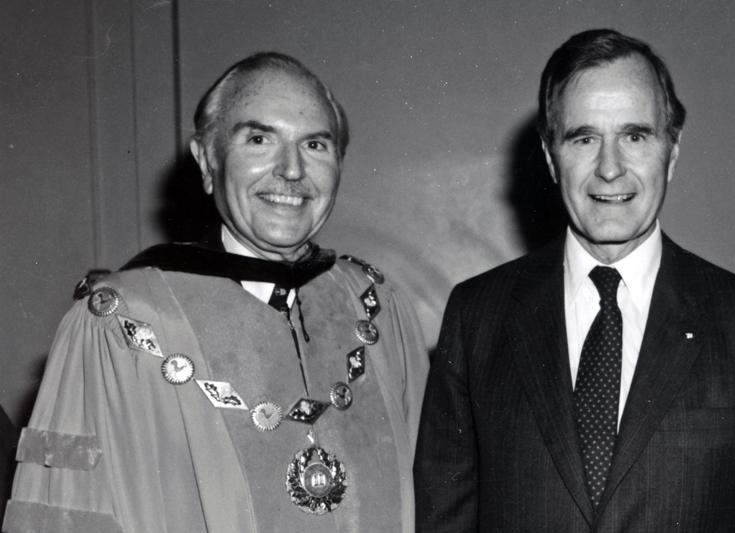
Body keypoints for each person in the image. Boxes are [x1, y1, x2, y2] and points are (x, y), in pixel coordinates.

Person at [4, 52, 428, 533]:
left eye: (314, 144)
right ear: (208, 160)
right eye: (259, 138)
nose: (291, 170)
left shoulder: (376, 309)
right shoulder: (122, 323)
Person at [414, 29, 735, 532]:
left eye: (635, 136)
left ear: (672, 152)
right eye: (584, 138)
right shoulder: (476, 315)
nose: (610, 169)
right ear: (552, 159)